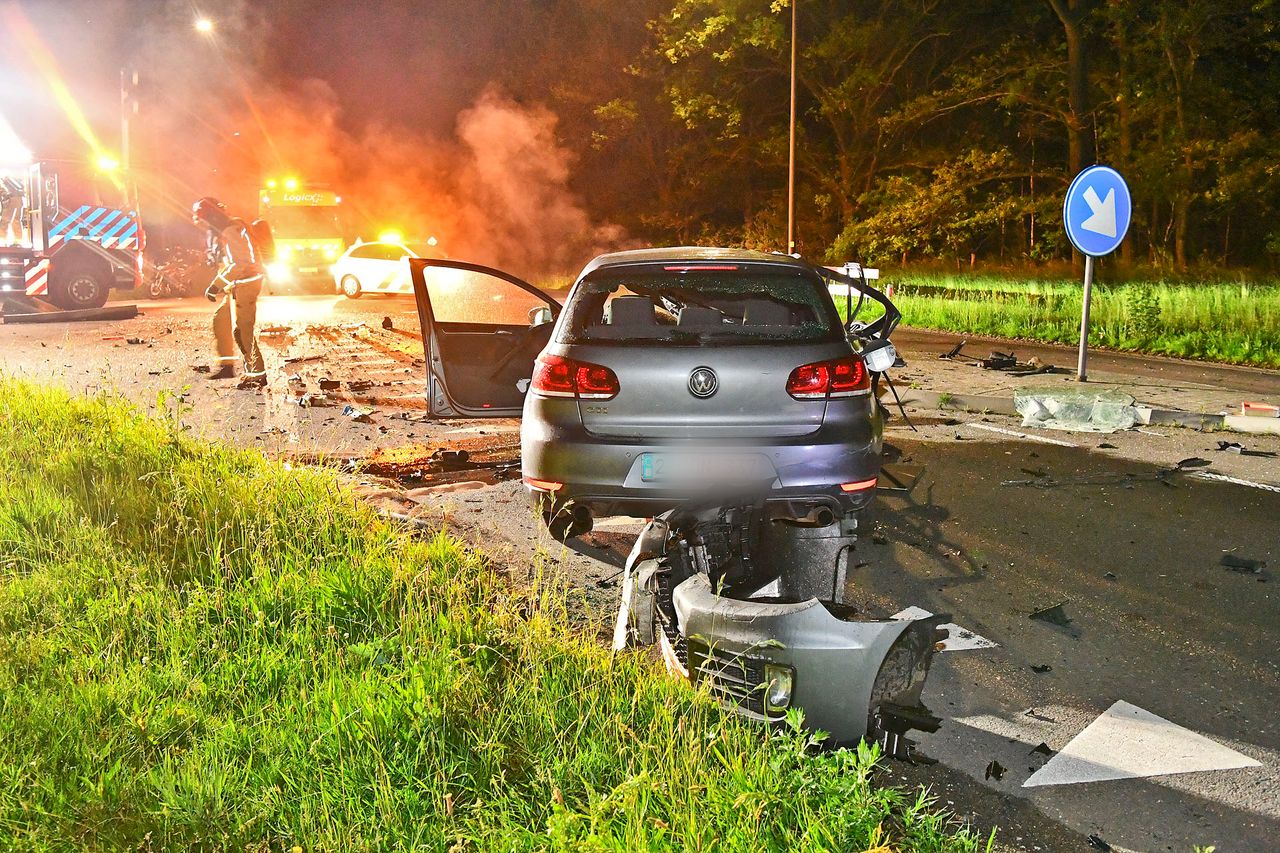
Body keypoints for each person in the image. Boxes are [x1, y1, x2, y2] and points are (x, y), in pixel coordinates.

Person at [191, 197, 266, 386]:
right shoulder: (225, 230)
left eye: (204, 219)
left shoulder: (230, 231)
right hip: (236, 284)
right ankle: (227, 366)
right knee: (221, 320)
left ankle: (257, 374)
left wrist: (216, 285)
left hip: (246, 283)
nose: (203, 224)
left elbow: (239, 264)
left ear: (212, 216)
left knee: (242, 330)